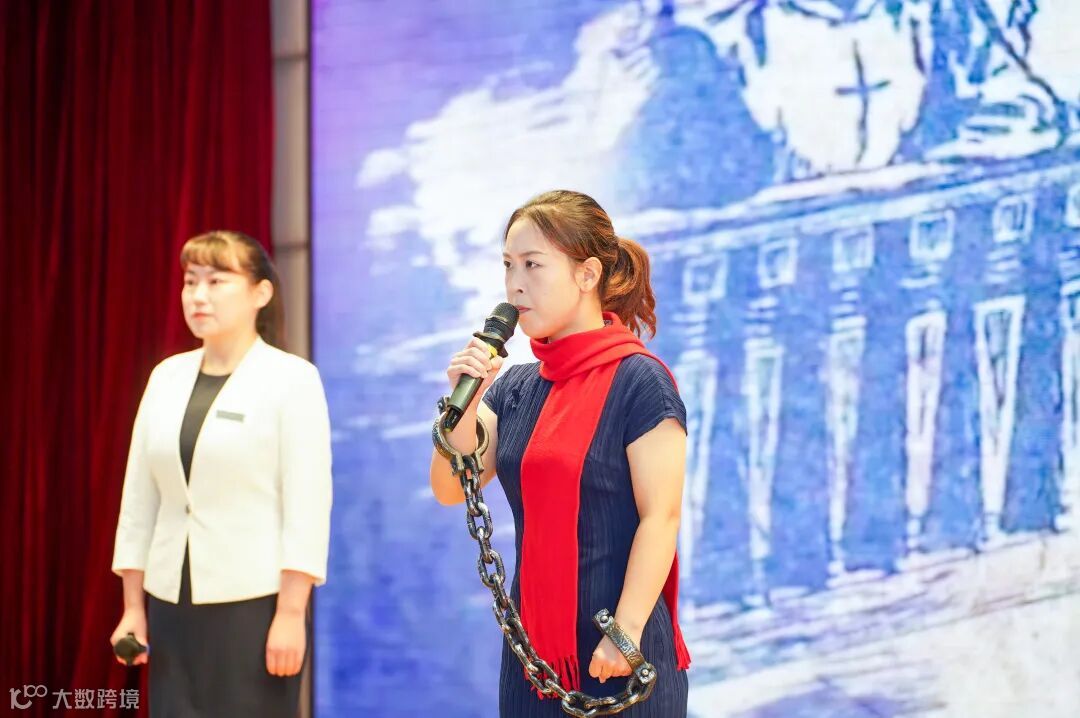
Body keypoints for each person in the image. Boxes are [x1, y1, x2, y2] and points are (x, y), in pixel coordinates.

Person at [430, 190, 691, 716]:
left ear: (587, 274)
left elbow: (660, 517)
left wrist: (625, 633)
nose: (514, 284)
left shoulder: (640, 381)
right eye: (508, 265)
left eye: (532, 264)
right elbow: (449, 488)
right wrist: (466, 401)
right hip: (535, 658)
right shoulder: (514, 388)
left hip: (621, 650)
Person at [109, 231, 333, 717]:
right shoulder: (166, 377)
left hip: (254, 605)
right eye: (191, 281)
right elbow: (139, 499)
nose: (198, 295)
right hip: (169, 601)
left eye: (216, 281)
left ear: (260, 293)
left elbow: (308, 505)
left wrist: (291, 613)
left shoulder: (291, 379)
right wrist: (132, 607)